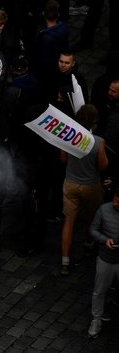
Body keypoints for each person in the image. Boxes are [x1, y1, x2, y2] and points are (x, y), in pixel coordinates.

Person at [60, 104, 108, 275]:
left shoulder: (67, 137)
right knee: (91, 216)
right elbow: (103, 166)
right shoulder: (98, 142)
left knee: (69, 221)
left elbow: (63, 160)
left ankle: (65, 260)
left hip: (71, 183)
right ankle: (89, 243)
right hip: (91, 185)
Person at [89, 189, 119, 337]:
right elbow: (93, 230)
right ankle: (96, 319)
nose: (115, 202)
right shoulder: (104, 209)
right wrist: (104, 240)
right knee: (99, 291)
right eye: (115, 198)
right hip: (105, 258)